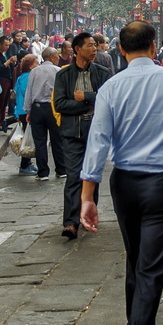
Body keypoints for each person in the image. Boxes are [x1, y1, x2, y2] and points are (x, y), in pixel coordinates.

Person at [80, 21, 163, 325]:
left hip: (124, 183)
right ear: (153, 47)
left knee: (136, 258)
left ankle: (137, 323)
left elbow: (97, 144)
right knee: (152, 265)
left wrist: (86, 197)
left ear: (121, 50)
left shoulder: (111, 87)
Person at [53, 32, 112, 239]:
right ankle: (71, 221)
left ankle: (89, 213)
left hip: (96, 133)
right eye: (89, 46)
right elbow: (59, 104)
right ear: (77, 49)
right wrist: (82, 105)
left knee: (92, 175)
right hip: (72, 133)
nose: (94, 49)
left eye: (95, 45)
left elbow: (108, 99)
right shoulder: (63, 75)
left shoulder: (103, 73)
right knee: (73, 176)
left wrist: (86, 96)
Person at [25, 47, 65, 181]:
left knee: (40, 141)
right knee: (57, 140)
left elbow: (29, 92)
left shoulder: (35, 71)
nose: (58, 58)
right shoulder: (58, 71)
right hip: (54, 108)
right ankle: (61, 169)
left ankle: (43, 172)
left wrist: (28, 110)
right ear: (51, 56)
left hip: (37, 108)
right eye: (57, 56)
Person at [13, 54, 39, 176]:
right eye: (36, 64)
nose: (38, 65)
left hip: (21, 110)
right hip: (25, 110)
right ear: (30, 66)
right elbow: (26, 92)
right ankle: (24, 165)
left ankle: (27, 163)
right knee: (28, 139)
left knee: (28, 137)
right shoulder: (27, 77)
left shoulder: (22, 77)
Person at [0, 36, 18, 131]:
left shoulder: (3, 54)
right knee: (0, 102)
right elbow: (0, 67)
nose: (7, 47)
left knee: (5, 102)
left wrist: (12, 62)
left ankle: (3, 121)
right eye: (5, 45)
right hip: (1, 80)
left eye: (8, 45)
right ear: (0, 44)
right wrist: (9, 61)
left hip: (7, 79)